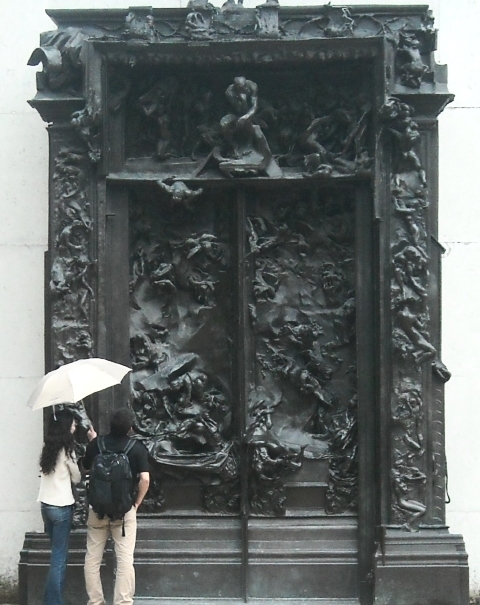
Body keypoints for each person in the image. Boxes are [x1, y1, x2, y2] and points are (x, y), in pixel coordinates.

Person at [82, 408, 150, 605]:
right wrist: (136, 503)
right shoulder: (136, 448)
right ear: (130, 428)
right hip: (123, 511)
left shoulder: (96, 444)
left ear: (110, 424)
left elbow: (85, 468)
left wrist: (93, 442)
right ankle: (122, 602)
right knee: (125, 560)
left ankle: (96, 601)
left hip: (98, 511)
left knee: (92, 559)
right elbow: (145, 479)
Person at [37, 407, 81, 605]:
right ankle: (53, 602)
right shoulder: (67, 451)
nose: (75, 425)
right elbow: (77, 478)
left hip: (46, 505)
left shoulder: (48, 448)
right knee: (59, 558)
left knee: (56, 554)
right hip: (62, 506)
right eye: (72, 422)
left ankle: (51, 599)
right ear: (65, 426)